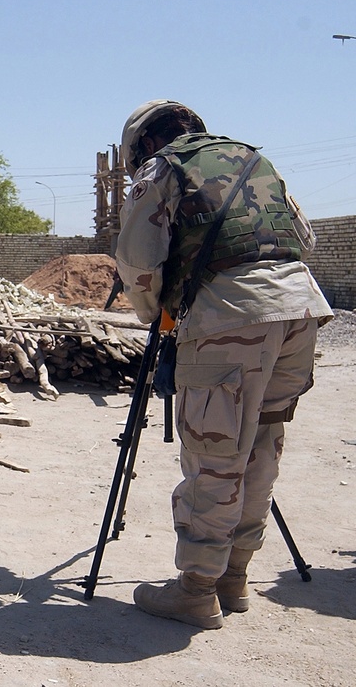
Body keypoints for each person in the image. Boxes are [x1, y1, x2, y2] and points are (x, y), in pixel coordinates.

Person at [115, 100, 333, 630]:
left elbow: (138, 263)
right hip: (298, 310)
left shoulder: (162, 167)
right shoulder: (255, 159)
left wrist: (159, 318)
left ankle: (196, 590)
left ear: (144, 143)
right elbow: (304, 239)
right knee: (261, 447)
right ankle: (234, 577)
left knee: (216, 455)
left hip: (228, 318)